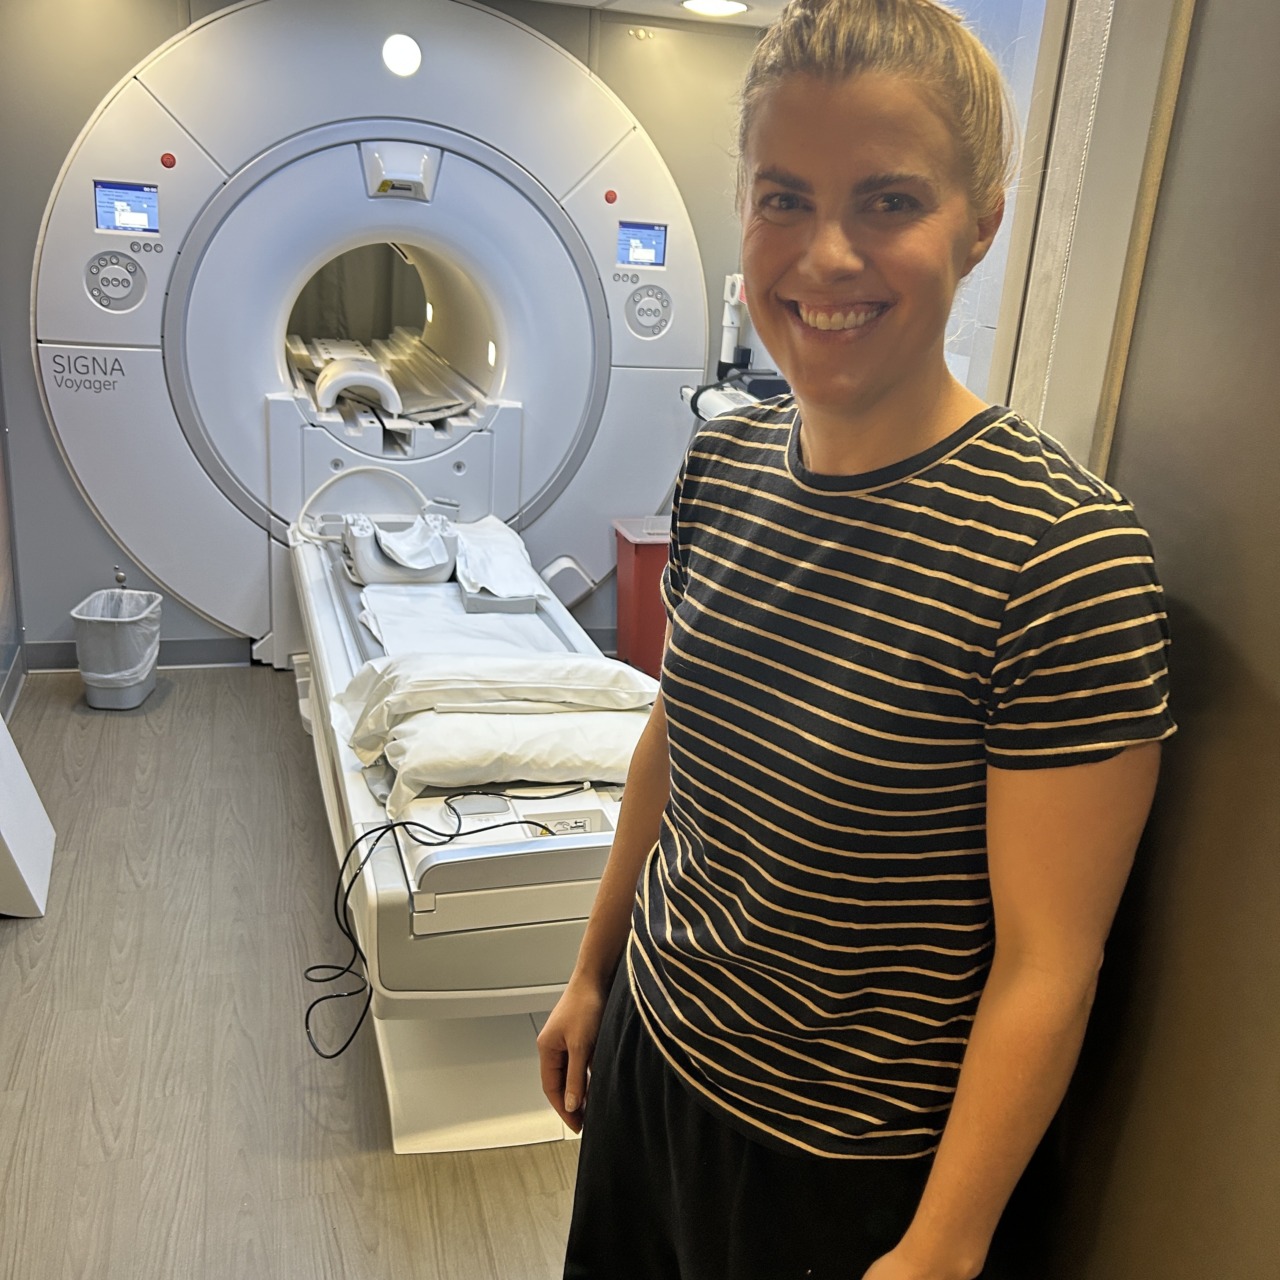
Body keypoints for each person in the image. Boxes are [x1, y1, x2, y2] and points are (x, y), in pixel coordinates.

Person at [537, 1, 1175, 1276]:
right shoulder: (720, 458)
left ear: (981, 219)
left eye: (886, 202)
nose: (823, 256)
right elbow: (678, 732)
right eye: (784, 198)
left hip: (836, 1168)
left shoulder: (1058, 553)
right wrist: (593, 968)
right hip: (656, 1066)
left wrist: (940, 1245)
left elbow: (1050, 962)